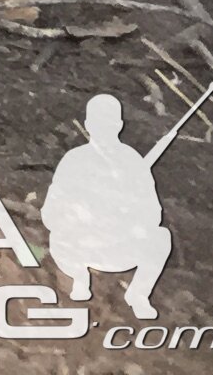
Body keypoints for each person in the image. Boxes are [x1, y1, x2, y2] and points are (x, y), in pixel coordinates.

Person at [42, 93, 176, 318]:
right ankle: (79, 277)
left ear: (119, 125)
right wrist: (76, 214)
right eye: (98, 123)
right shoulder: (74, 160)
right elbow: (51, 211)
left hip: (120, 244)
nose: (104, 129)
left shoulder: (132, 162)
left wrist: (129, 219)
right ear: (87, 125)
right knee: (57, 237)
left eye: (109, 122)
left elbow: (153, 211)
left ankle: (139, 295)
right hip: (81, 244)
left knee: (160, 237)